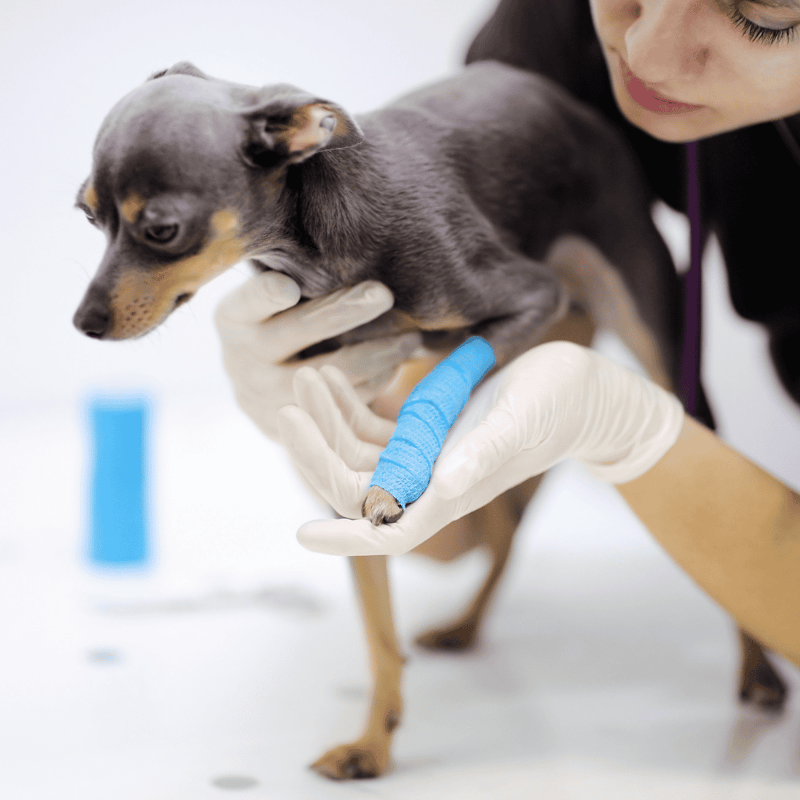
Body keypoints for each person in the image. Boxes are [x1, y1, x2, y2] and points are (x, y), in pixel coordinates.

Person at [214, 1, 800, 666]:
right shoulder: (561, 34)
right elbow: (445, 534)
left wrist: (637, 433)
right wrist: (342, 420)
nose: (645, 50)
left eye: (767, 14)